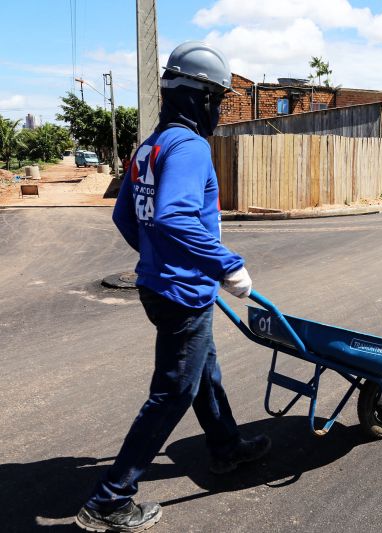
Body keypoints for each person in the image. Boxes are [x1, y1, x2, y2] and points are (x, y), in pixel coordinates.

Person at [75, 41, 270, 533]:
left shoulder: (152, 144)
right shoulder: (189, 147)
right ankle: (110, 500)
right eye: (218, 99)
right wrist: (226, 263)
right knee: (171, 394)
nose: (219, 109)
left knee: (205, 371)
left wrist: (158, 258)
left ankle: (226, 448)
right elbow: (175, 216)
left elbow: (126, 214)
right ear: (200, 97)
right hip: (182, 293)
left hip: (164, 287)